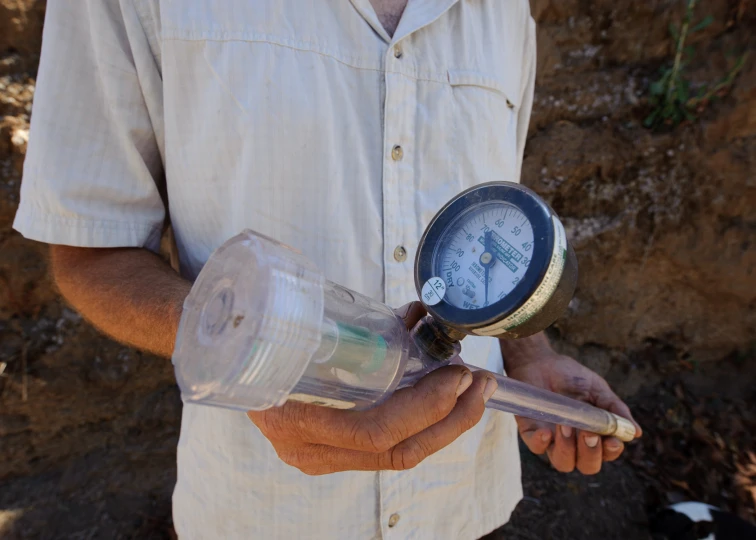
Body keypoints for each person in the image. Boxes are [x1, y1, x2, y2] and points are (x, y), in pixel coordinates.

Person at [13, 1, 642, 538]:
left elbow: (491, 218)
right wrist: (255, 365)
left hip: (460, 506)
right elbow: (91, 248)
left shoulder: (502, 12)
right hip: (266, 508)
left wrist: (530, 355)